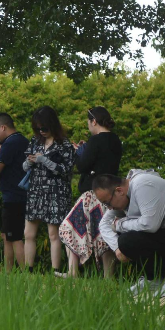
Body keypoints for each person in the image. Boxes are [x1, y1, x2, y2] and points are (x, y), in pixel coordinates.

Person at [94, 171, 165, 296]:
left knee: (127, 239)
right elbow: (104, 223)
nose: (109, 208)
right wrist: (117, 248)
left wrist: (120, 225)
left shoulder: (142, 184)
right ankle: (153, 278)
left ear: (119, 191)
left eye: (107, 203)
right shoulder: (125, 194)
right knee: (123, 238)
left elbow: (149, 225)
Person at [59, 106, 123, 278]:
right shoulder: (115, 140)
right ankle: (109, 277)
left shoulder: (95, 140)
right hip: (111, 193)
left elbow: (82, 166)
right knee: (104, 233)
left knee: (69, 226)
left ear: (94, 121)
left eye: (89, 122)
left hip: (92, 194)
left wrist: (78, 153)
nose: (88, 126)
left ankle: (73, 271)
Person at [22, 106, 75, 274]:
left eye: (44, 128)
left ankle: (55, 271)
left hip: (56, 192)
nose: (41, 131)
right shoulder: (35, 141)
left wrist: (44, 160)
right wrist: (30, 161)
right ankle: (28, 271)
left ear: (52, 124)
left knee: (54, 234)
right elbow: (24, 167)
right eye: (37, 128)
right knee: (28, 233)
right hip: (35, 191)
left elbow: (65, 170)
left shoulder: (64, 144)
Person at [0, 113, 31, 272]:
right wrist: (0, 151)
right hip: (21, 194)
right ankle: (8, 272)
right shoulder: (23, 140)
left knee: (14, 237)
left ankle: (25, 274)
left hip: (13, 197)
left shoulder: (10, 143)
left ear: (3, 127)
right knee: (7, 235)